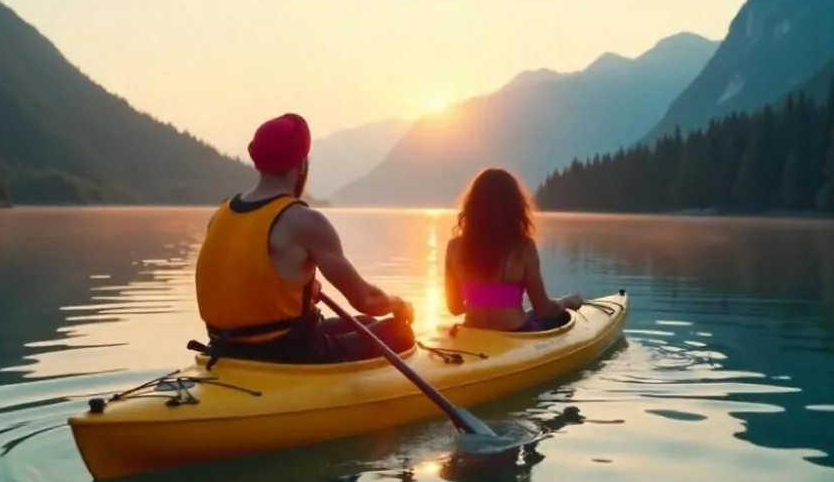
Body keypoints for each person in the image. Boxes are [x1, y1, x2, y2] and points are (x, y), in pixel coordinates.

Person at [194, 112, 415, 363]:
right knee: (398, 331)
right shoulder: (304, 220)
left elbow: (249, 280)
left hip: (225, 347)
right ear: (300, 165)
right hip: (290, 354)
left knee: (364, 324)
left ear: (258, 162)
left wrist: (303, 288)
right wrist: (399, 304)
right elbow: (366, 299)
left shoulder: (222, 213)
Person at [444, 167, 583, 332]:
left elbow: (455, 308)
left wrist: (481, 299)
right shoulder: (523, 248)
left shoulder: (454, 247)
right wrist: (566, 302)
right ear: (515, 206)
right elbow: (543, 310)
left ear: (473, 206)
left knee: (531, 315)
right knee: (555, 316)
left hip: (473, 336)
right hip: (516, 334)